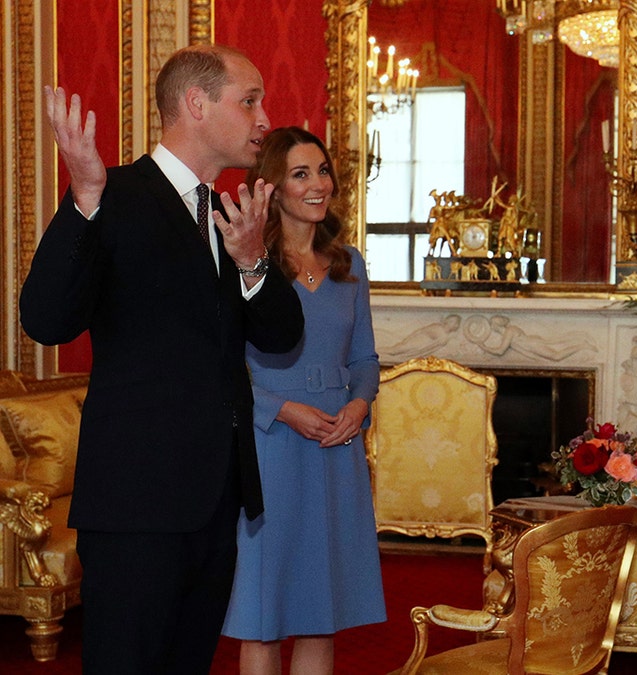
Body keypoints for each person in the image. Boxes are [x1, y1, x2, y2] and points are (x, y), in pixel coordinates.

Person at [19, 44, 305, 672]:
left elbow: (283, 337)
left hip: (215, 501)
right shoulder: (111, 195)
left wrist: (254, 260)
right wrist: (84, 198)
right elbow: (44, 320)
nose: (265, 119)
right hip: (134, 506)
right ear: (195, 104)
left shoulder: (233, 216)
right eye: (250, 100)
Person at [221, 126, 385, 675]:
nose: (319, 184)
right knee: (264, 612)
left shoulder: (349, 265)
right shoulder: (245, 267)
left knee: (322, 611)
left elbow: (365, 360)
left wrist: (359, 409)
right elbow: (224, 368)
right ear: (271, 188)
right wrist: (283, 410)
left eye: (322, 171)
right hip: (270, 447)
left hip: (338, 446)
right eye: (300, 173)